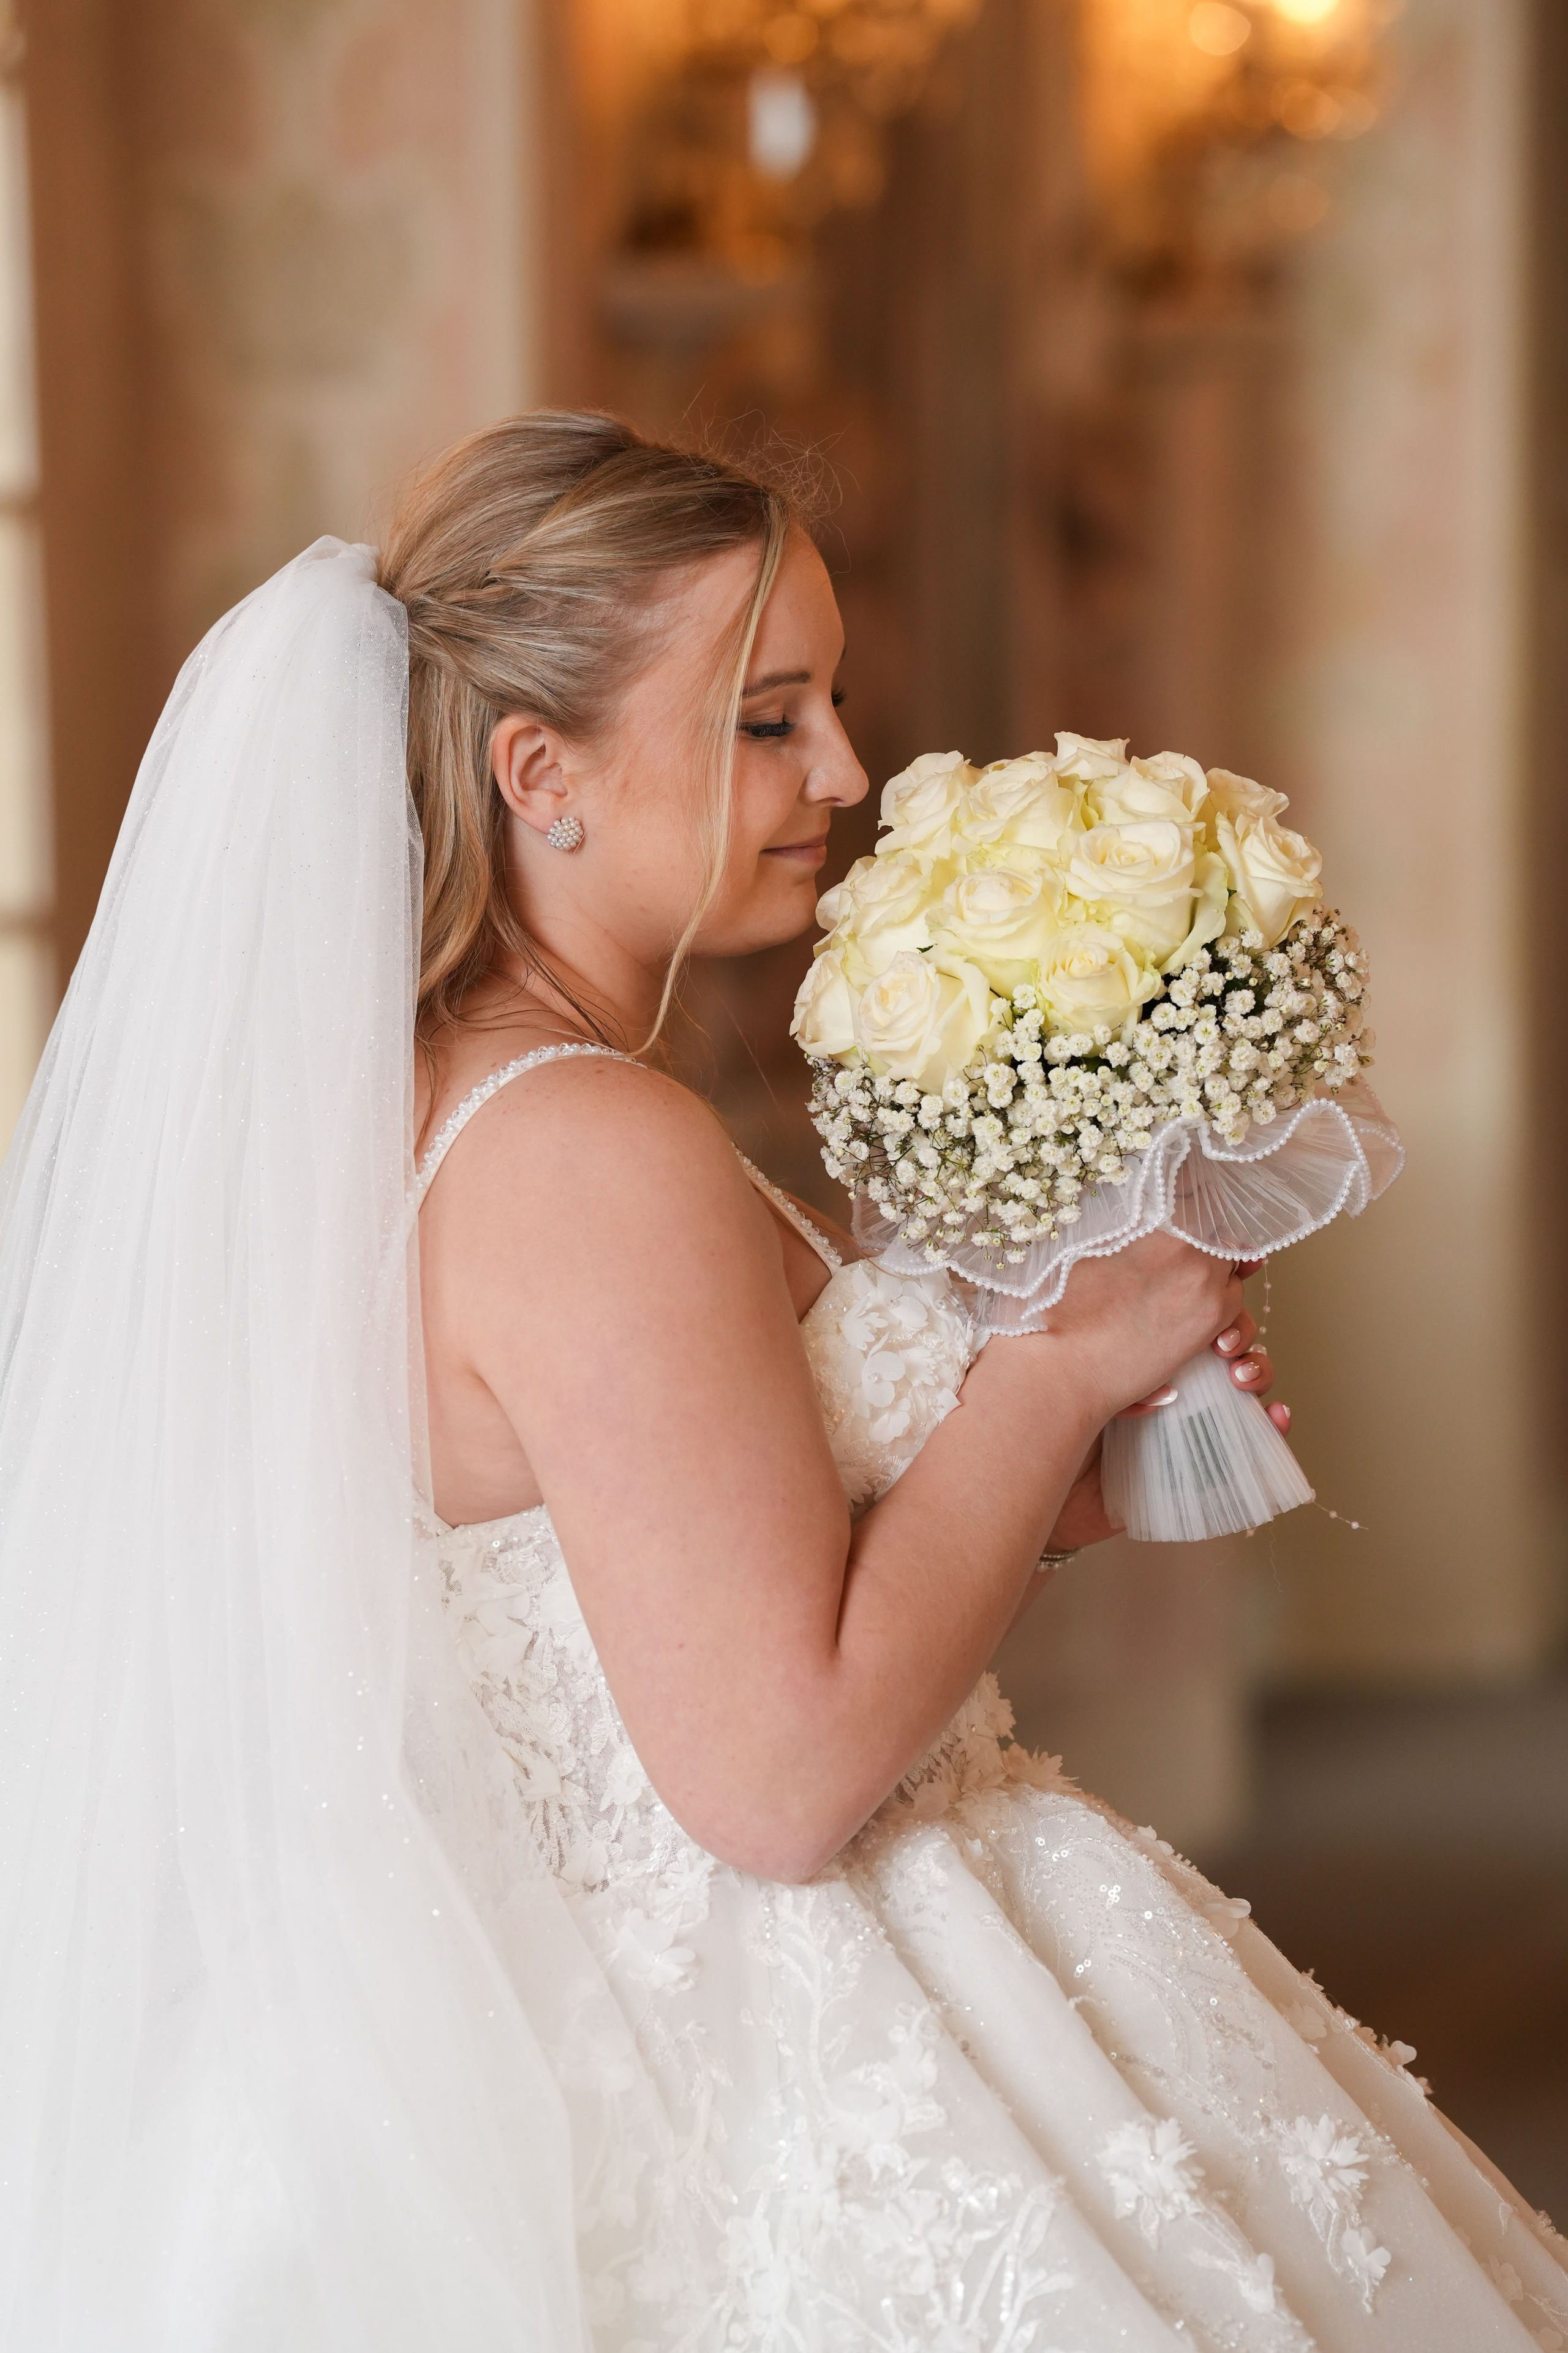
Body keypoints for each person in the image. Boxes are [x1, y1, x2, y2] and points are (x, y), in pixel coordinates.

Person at [0, 415, 1561, 2352]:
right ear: (539, 772)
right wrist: (1061, 1360)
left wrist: (1068, 1458)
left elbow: (674, 1578)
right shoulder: (586, 1148)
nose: (843, 772)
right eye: (770, 718)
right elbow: (777, 1771)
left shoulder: (438, 1110)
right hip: (776, 2029)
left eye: (831, 707)